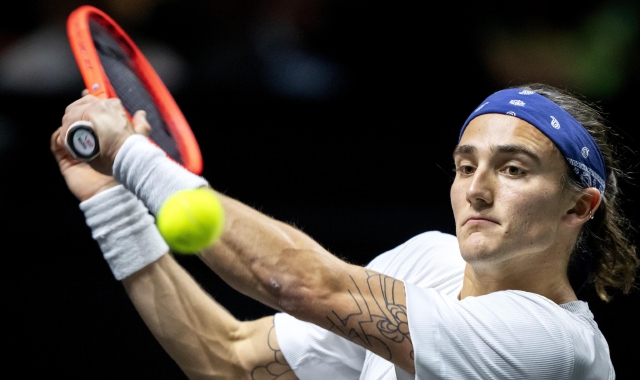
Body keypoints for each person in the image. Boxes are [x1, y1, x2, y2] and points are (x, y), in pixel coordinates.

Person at [50, 83, 638, 379]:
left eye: (513, 169)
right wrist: (114, 205)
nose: (477, 189)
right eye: (465, 166)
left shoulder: (555, 346)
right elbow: (226, 359)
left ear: (578, 208)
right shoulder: (426, 262)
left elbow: (298, 281)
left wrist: (131, 154)